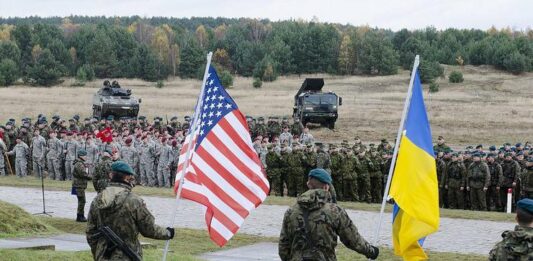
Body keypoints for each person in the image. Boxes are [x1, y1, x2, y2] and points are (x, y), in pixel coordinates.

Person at [278, 168, 379, 260]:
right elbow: (353, 240)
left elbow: (283, 246)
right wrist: (371, 251)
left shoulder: (291, 211)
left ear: (308, 184)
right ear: (326, 187)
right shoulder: (335, 211)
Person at [86, 161, 174, 260]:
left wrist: (98, 252)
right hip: (127, 255)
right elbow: (149, 229)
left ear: (111, 175)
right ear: (127, 178)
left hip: (103, 255)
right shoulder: (133, 201)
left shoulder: (98, 199)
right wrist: (167, 233)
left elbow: (90, 232)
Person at [72, 149, 91, 222]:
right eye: (85, 155)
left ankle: (80, 216)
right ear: (81, 156)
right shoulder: (79, 164)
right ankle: (80, 216)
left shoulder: (79, 163)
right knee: (82, 201)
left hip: (77, 184)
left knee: (81, 201)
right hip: (78, 185)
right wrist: (91, 177)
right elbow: (83, 174)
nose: (86, 157)